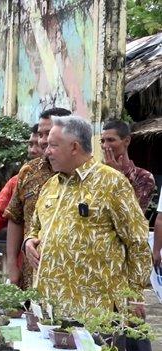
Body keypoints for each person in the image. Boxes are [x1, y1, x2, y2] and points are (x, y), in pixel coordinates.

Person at [23, 115, 151, 316]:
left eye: (53, 146)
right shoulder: (51, 185)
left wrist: (134, 296)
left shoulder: (111, 183)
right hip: (48, 309)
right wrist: (29, 241)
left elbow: (137, 241)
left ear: (74, 147)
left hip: (95, 312)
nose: (46, 152)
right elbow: (35, 226)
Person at [4, 107, 71, 288]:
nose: (42, 141)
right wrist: (11, 264)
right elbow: (15, 217)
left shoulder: (84, 174)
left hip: (70, 279)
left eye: (47, 134)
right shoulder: (29, 172)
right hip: (31, 273)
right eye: (40, 134)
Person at [0, 124, 42, 239]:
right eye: (30, 144)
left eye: (39, 144)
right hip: (26, 253)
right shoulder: (18, 180)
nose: (32, 150)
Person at [101, 120, 156, 210]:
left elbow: (135, 213)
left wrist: (117, 175)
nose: (105, 145)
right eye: (102, 141)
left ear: (127, 141)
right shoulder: (98, 173)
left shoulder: (143, 177)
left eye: (111, 140)